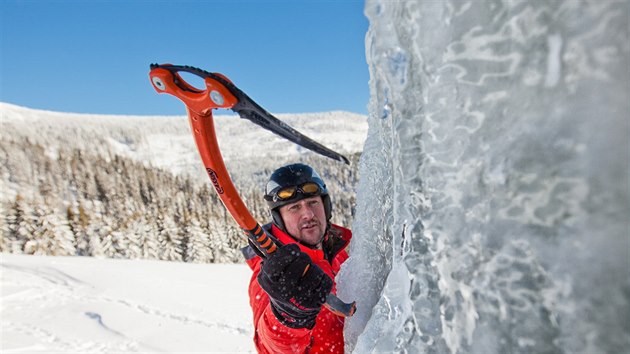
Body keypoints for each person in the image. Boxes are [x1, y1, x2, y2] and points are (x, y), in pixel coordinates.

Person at [241, 163, 352, 354]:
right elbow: (269, 345)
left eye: (313, 203)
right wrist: (288, 315)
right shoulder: (272, 274)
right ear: (280, 218)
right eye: (294, 207)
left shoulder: (339, 251)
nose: (308, 214)